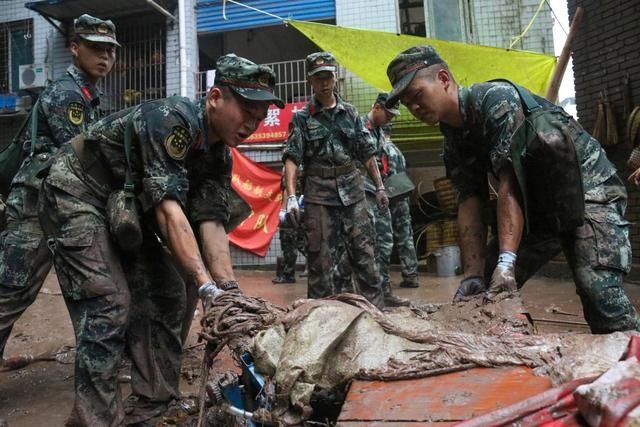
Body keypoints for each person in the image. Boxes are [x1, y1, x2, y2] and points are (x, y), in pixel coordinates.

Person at [38, 53, 283, 426]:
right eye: (247, 109)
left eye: (260, 114)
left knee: (169, 289)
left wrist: (228, 292)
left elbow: (211, 223)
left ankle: (154, 403)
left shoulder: (219, 154)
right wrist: (205, 287)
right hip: (75, 192)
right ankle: (95, 418)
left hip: (120, 205)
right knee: (108, 300)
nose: (252, 122)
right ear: (215, 98)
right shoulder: (171, 120)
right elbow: (169, 213)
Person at [385, 45, 640, 334]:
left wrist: (507, 264)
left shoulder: (496, 101)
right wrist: (472, 275)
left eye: (417, 95)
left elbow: (510, 185)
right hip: (541, 206)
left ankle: (632, 360)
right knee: (483, 291)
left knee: (601, 298)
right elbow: (469, 203)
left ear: (443, 79)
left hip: (590, 193)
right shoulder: (454, 139)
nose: (414, 107)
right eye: (407, 103)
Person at [0, 14, 118, 360]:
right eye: (96, 49)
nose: (105, 57)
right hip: (36, 207)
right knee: (11, 292)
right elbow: (80, 160)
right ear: (75, 48)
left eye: (110, 51)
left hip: (58, 206)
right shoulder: (68, 95)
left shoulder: (86, 95)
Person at [283, 52, 389, 308]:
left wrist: (380, 187)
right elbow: (292, 158)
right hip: (319, 195)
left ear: (335, 78)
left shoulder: (350, 113)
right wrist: (291, 198)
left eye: (328, 77)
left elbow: (366, 152)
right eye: (318, 78)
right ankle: (321, 319)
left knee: (365, 255)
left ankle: (375, 315)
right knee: (320, 261)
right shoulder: (301, 117)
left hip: (352, 191)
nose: (324, 83)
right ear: (310, 82)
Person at [273, 168, 306, 284]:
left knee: (288, 243)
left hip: (291, 211)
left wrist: (282, 210)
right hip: (302, 209)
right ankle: (313, 267)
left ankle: (288, 274)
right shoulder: (305, 167)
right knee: (302, 242)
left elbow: (287, 189)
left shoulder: (290, 168)